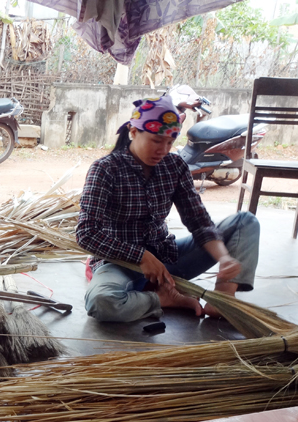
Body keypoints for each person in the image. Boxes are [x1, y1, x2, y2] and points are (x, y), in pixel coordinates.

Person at [76, 96, 260, 322]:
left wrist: (224, 258)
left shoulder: (174, 166)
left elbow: (199, 221)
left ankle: (222, 298)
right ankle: (162, 299)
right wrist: (141, 256)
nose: (163, 150)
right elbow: (86, 234)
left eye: (170, 142)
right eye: (155, 141)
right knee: (102, 302)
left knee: (245, 222)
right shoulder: (105, 169)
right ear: (133, 131)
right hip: (119, 264)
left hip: (168, 261)